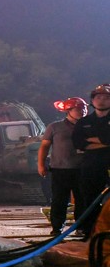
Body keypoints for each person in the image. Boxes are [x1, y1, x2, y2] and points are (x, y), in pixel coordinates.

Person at [40, 97, 87, 235]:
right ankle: (57, 228)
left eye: (84, 108)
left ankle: (81, 228)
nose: (83, 111)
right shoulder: (55, 127)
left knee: (82, 200)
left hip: (82, 169)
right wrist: (41, 165)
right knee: (59, 200)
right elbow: (44, 147)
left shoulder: (88, 126)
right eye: (78, 108)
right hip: (60, 169)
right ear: (68, 110)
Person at [73, 84, 110, 238]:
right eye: (98, 97)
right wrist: (105, 141)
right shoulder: (83, 122)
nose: (101, 101)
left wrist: (91, 141)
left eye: (106, 98)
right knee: (89, 200)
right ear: (92, 101)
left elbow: (87, 143)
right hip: (91, 167)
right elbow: (79, 143)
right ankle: (90, 233)